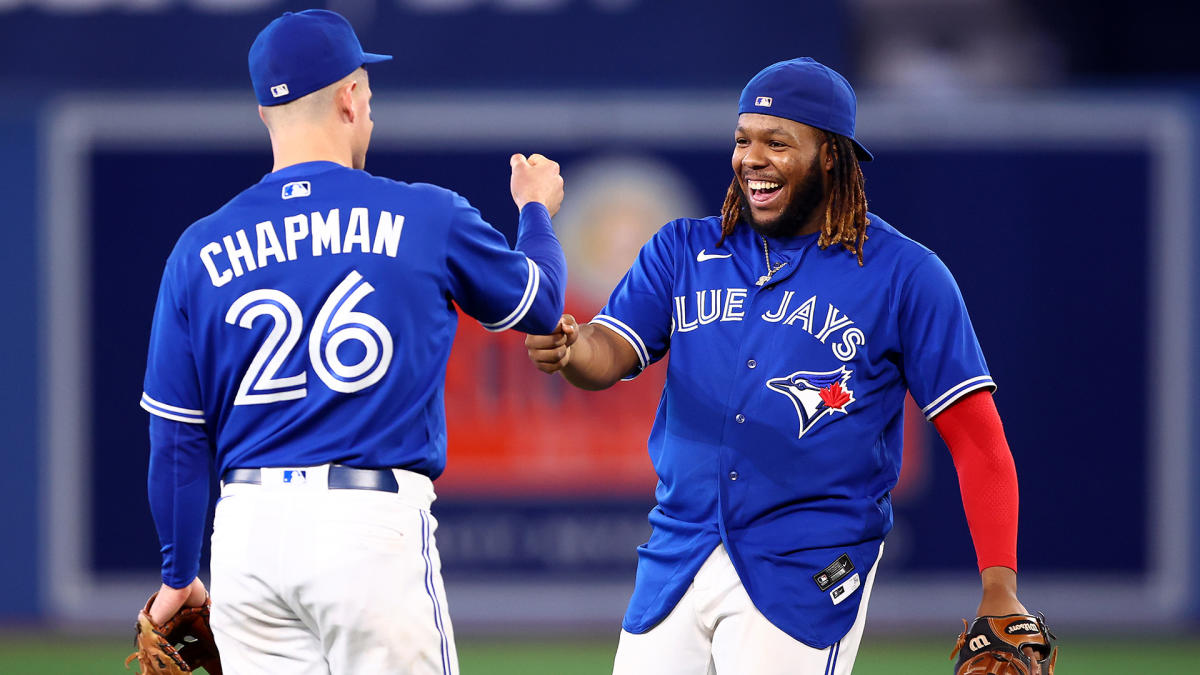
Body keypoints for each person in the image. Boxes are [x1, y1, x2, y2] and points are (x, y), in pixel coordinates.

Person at [525, 57, 1044, 674]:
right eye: (743, 139)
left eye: (778, 142)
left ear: (830, 156)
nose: (752, 158)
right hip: (679, 554)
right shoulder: (685, 249)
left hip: (809, 566)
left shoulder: (906, 276)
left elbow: (978, 443)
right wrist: (571, 346)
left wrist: (998, 585)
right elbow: (606, 353)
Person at [137, 9, 565, 674]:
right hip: (367, 529)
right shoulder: (425, 213)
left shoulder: (199, 249)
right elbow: (540, 304)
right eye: (367, 92)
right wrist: (535, 209)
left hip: (248, 538)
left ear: (263, 114)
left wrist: (176, 574)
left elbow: (176, 441)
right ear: (350, 96)